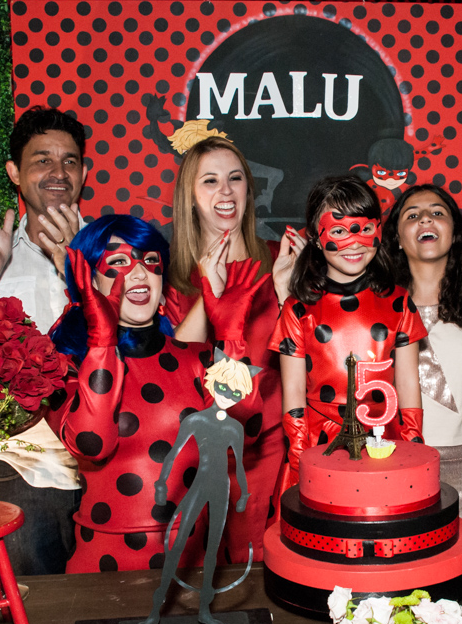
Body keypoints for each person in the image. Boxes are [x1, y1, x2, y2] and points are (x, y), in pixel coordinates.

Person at [49, 214, 266, 572]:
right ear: (89, 281)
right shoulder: (61, 366)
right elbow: (93, 443)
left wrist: (231, 339)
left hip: (193, 567)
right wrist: (102, 344)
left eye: (151, 261)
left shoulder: (195, 358)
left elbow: (246, 432)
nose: (139, 272)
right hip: (103, 572)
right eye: (118, 261)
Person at [0, 106, 90, 576]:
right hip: (26, 463)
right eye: (42, 160)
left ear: (84, 172)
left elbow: (131, 342)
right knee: (37, 602)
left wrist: (77, 266)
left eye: (69, 161)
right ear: (15, 172)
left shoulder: (110, 249)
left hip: (107, 458)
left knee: (117, 596)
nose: (58, 172)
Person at [162, 135, 299, 564]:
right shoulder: (171, 275)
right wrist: (212, 291)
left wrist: (282, 292)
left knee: (261, 569)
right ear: (190, 198)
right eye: (210, 181)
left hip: (267, 451)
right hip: (198, 451)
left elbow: (305, 356)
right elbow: (176, 365)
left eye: (235, 178)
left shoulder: (281, 259)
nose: (225, 191)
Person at [269, 176, 427, 502]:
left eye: (363, 229)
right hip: (318, 445)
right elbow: (294, 391)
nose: (353, 243)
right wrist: (300, 455)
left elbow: (410, 382)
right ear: (315, 237)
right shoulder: (298, 310)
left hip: (385, 442)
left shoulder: (399, 302)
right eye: (338, 231)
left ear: (378, 231)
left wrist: (412, 442)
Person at [382, 185, 462, 545]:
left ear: (454, 234)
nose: (425, 218)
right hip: (394, 460)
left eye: (438, 212)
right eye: (412, 214)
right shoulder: (376, 305)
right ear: (398, 239)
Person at [139, 352, 260, 624]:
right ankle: (155, 611)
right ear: (211, 383)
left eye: (235, 391)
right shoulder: (195, 421)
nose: (228, 394)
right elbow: (173, 454)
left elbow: (239, 464)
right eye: (223, 387)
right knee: (178, 544)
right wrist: (161, 484)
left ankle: (204, 611)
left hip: (222, 488)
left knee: (213, 549)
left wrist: (242, 494)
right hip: (199, 485)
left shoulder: (234, 427)